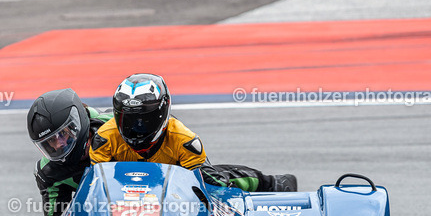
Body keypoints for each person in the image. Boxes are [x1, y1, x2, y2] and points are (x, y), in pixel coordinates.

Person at [89, 73, 297, 191]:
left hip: (173, 194)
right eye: (129, 120)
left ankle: (272, 183)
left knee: (215, 180)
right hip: (125, 195)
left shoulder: (184, 140)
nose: (136, 129)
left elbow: (200, 190)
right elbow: (98, 188)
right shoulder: (104, 140)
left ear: (162, 113)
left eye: (144, 120)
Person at [27, 88, 112, 216]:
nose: (59, 144)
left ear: (76, 125)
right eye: (51, 140)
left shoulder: (114, 126)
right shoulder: (49, 172)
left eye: (62, 134)